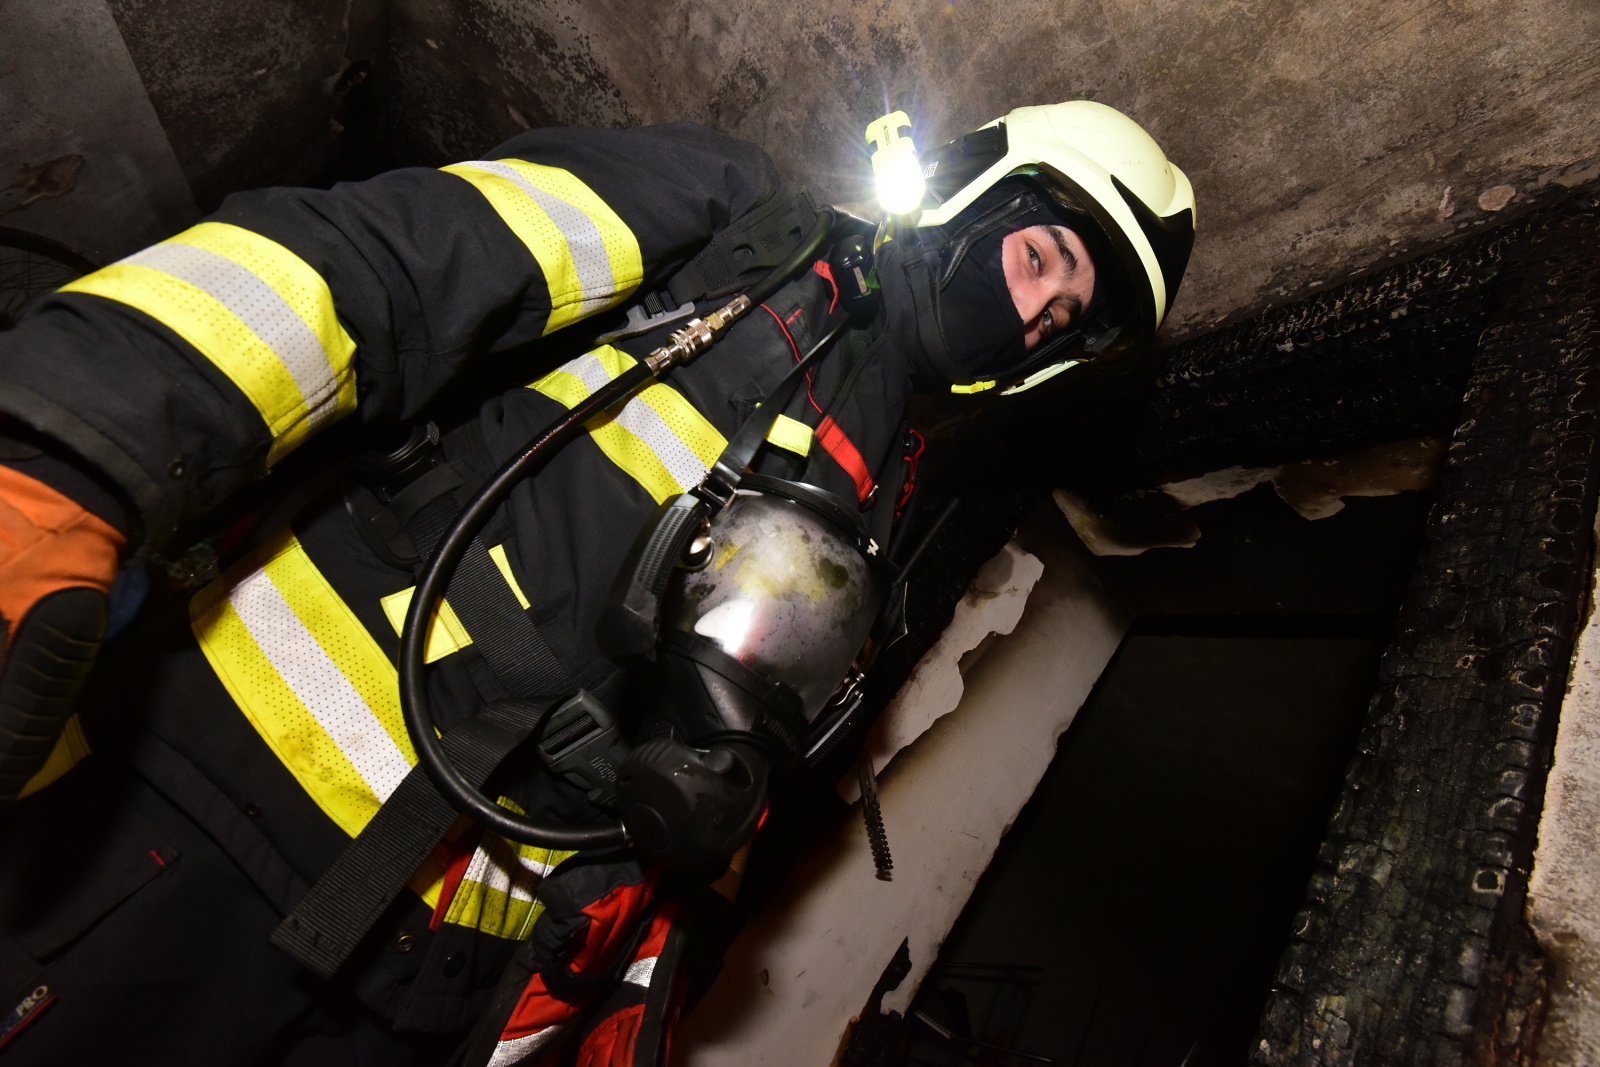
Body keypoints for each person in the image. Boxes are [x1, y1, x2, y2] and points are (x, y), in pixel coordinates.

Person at [0, 100, 1193, 1064]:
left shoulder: (885, 506)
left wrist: (632, 971)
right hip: (212, 812)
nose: (1031, 315)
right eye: (1039, 258)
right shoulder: (742, 228)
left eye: (1064, 318)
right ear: (975, 186)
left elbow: (714, 783)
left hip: (412, 987)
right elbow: (383, 267)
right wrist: (70, 451)